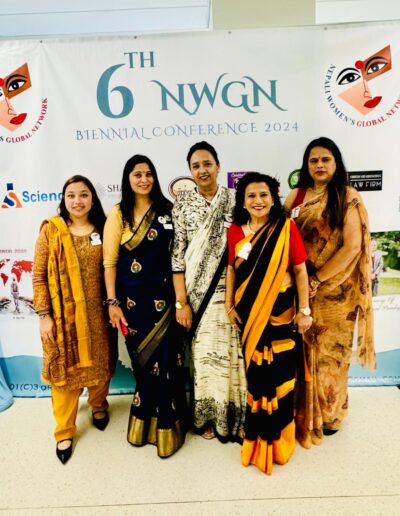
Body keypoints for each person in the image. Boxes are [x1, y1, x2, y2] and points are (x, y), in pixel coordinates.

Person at [285, 137, 375, 447]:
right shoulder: (296, 197)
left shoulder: (347, 197)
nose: (320, 165)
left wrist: (318, 280)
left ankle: (331, 415)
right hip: (300, 291)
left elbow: (352, 246)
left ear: (336, 163)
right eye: (314, 160)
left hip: (337, 295)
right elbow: (279, 238)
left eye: (326, 159)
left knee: (331, 357)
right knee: (301, 354)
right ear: (306, 165)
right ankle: (302, 412)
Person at [225, 172, 312, 475]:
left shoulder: (286, 228)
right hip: (249, 318)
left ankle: (280, 442)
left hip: (281, 316)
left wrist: (305, 310)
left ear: (274, 199)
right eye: (251, 195)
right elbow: (231, 270)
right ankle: (256, 440)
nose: (258, 201)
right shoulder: (235, 231)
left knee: (281, 377)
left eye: (264, 195)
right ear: (243, 201)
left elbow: (300, 270)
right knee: (258, 379)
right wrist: (229, 305)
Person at [103, 155, 186, 458]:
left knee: (167, 364)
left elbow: (179, 257)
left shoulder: (168, 210)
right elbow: (110, 262)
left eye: (149, 174)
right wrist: (113, 302)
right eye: (137, 174)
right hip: (132, 305)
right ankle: (143, 423)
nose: (144, 179)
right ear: (128, 179)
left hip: (166, 302)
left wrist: (181, 300)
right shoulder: (118, 214)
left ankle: (168, 426)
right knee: (144, 365)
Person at [33, 175, 114, 465]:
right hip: (62, 318)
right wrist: (44, 316)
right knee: (64, 375)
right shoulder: (52, 230)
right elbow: (39, 276)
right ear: (64, 199)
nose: (77, 201)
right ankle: (64, 430)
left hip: (98, 316)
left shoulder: (105, 228)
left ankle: (98, 405)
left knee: (100, 366)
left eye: (83, 194)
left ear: (92, 199)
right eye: (71, 195)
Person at [172, 141, 246, 442]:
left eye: (207, 164)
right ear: (190, 171)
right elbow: (177, 257)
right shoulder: (182, 205)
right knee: (204, 357)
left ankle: (235, 416)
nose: (202, 170)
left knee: (232, 354)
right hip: (197, 295)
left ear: (218, 166)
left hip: (232, 291)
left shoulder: (235, 200)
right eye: (196, 166)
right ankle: (206, 417)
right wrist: (181, 303)